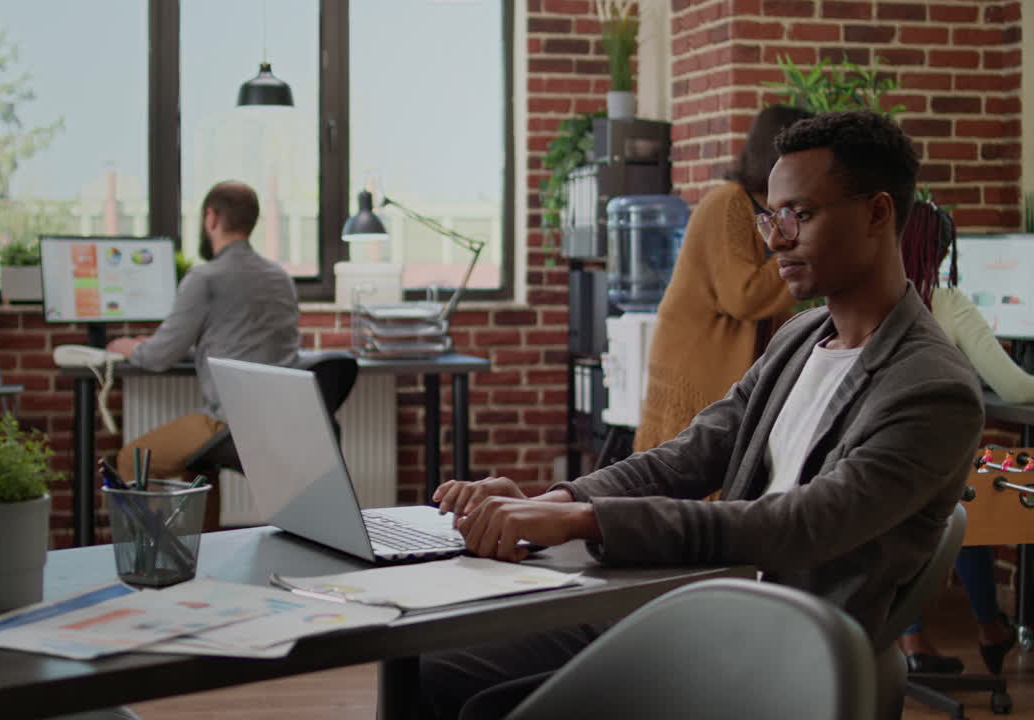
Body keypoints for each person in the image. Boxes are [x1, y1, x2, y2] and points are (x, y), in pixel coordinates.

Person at [422, 111, 985, 720]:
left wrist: (587, 520)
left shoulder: (932, 387)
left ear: (878, 214)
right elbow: (688, 454)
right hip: (704, 609)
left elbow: (796, 526)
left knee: (485, 708)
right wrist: (556, 501)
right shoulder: (799, 340)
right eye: (772, 216)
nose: (776, 239)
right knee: (431, 674)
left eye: (802, 214)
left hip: (776, 654)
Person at [107, 180, 301, 530]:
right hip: (283, 421)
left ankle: (155, 558)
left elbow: (157, 357)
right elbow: (245, 338)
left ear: (211, 218)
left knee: (132, 460)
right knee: (198, 465)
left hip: (228, 423)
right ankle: (205, 554)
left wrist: (129, 347)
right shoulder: (280, 278)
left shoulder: (206, 277)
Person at [896, 199, 1026, 675]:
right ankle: (991, 626)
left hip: (871, 468)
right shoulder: (947, 303)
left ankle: (911, 641)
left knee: (939, 504)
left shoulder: (867, 297)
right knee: (974, 500)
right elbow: (1013, 387)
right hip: (937, 465)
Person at [633, 105, 812, 452]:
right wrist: (803, 240)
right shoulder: (730, 202)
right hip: (699, 360)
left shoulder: (767, 207)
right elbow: (742, 296)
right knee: (689, 472)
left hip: (731, 364)